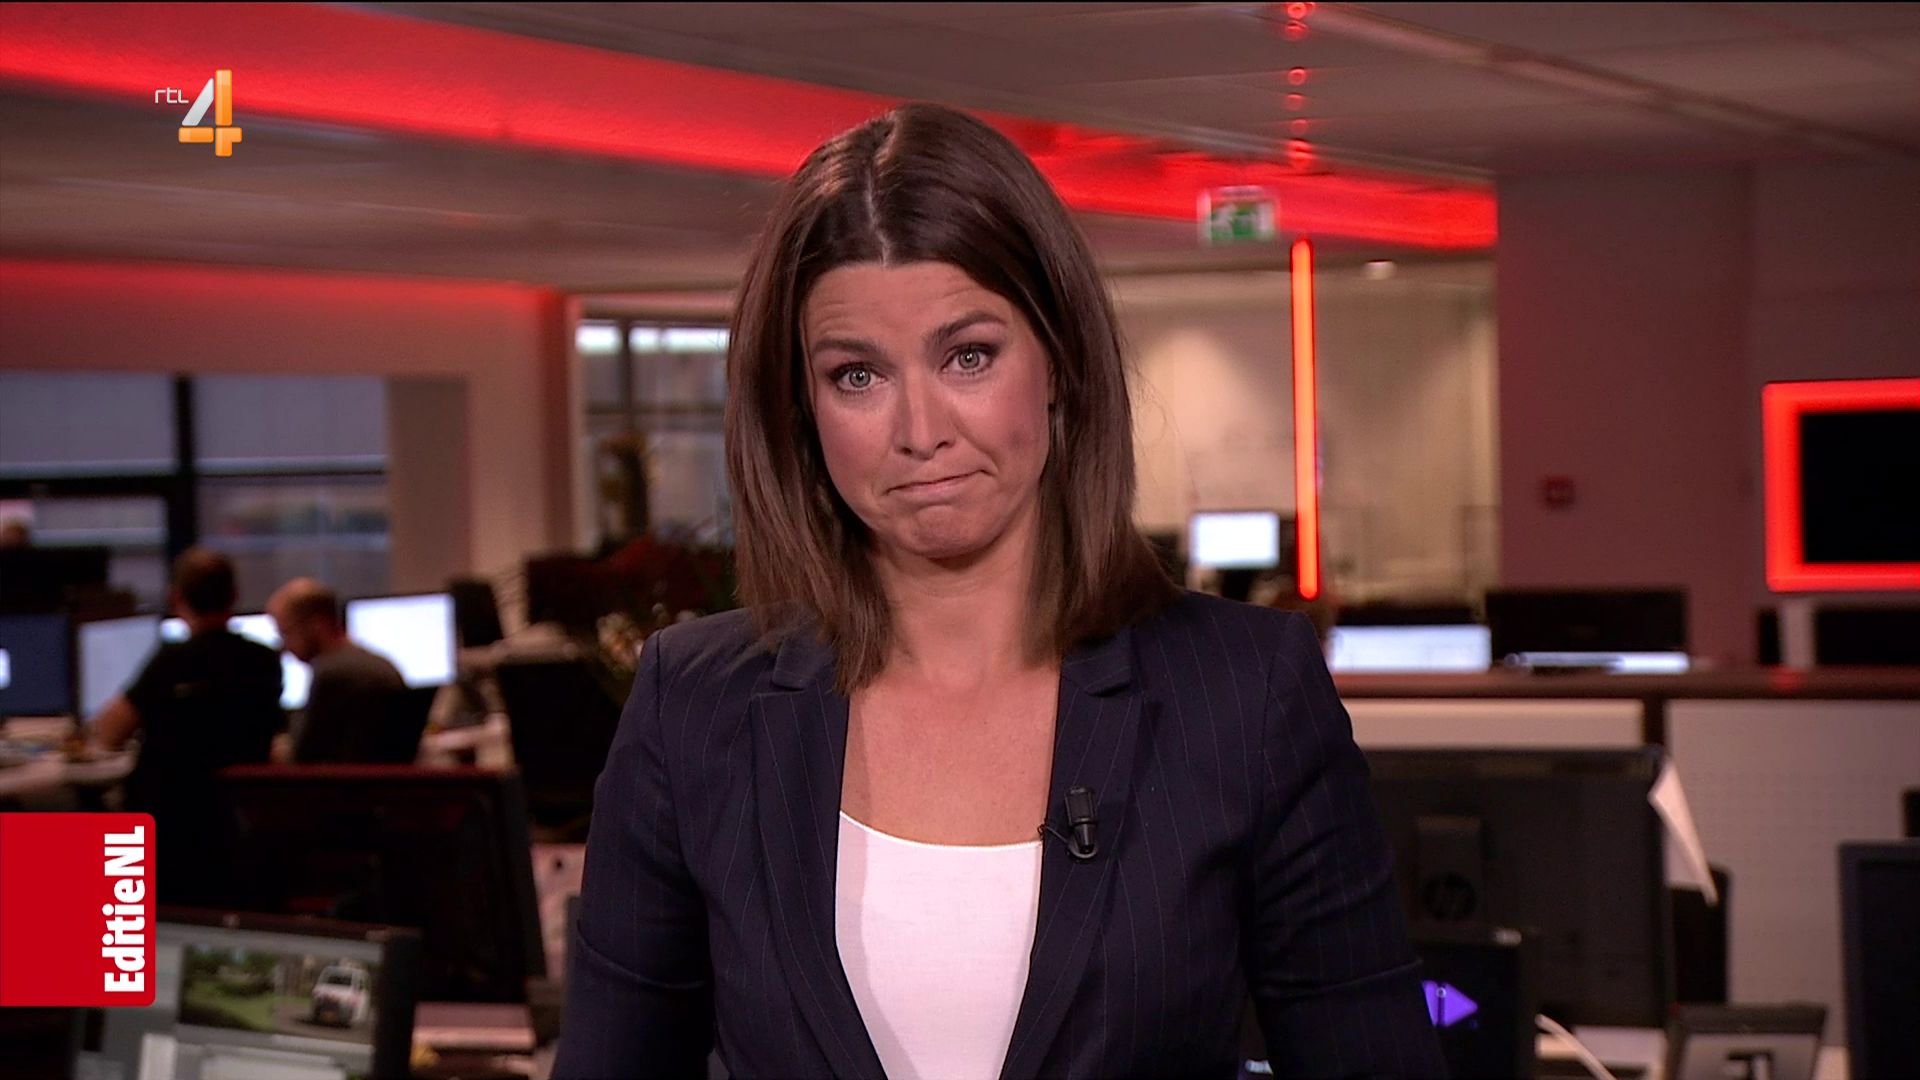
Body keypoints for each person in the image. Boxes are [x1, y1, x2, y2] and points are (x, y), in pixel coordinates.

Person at [555, 103, 1443, 1079]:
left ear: (1057, 361)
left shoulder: (1245, 691)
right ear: (801, 409)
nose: (920, 430)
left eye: (968, 356)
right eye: (856, 376)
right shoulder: (694, 704)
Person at [90, 547, 282, 905]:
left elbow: (109, 734)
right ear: (234, 597)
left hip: (167, 826)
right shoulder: (264, 661)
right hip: (234, 827)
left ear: (176, 599)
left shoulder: (172, 661)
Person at [266, 578, 409, 763]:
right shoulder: (382, 663)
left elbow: (304, 756)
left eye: (286, 633)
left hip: (342, 779)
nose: (284, 647)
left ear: (317, 625)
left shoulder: (330, 673)